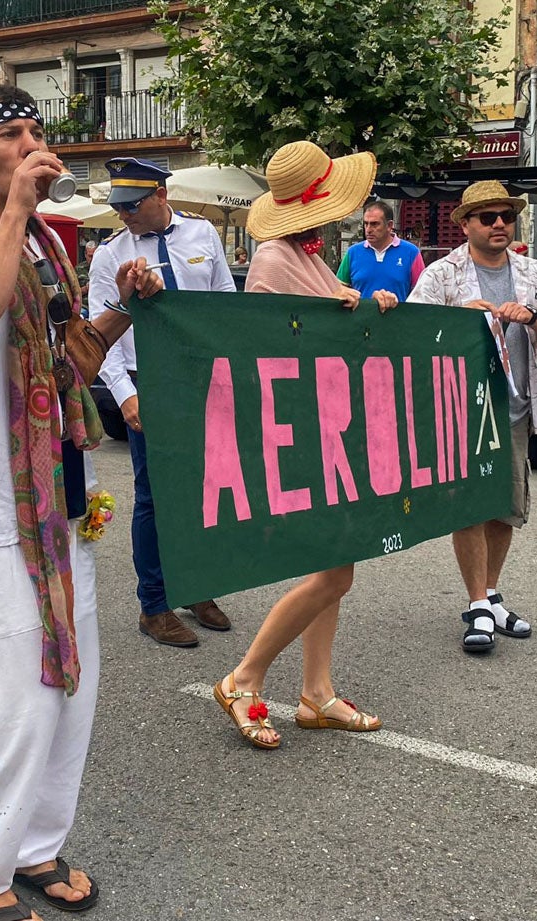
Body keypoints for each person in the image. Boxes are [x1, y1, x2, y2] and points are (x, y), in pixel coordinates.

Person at [0, 82, 154, 921]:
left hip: (58, 499)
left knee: (71, 691)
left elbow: (65, 364)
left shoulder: (48, 247)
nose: (29, 143)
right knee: (15, 700)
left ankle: (36, 844)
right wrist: (16, 209)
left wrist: (121, 311)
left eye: (34, 131)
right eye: (8, 134)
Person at [211, 141, 391, 750]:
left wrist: (367, 306)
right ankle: (244, 676)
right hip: (303, 433)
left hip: (328, 427)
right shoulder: (272, 261)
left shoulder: (305, 256)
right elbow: (268, 347)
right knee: (334, 571)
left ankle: (316, 691)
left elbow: (325, 329)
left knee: (335, 567)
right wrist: (337, 313)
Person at [407, 179, 537, 653]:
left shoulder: (533, 270)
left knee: (506, 506)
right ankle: (477, 602)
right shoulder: (443, 274)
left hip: (515, 408)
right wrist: (462, 316)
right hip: (461, 410)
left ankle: (491, 594)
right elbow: (414, 333)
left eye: (506, 215)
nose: (500, 223)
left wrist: (529, 315)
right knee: (471, 505)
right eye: (487, 217)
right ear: (465, 224)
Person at [89, 155, 238, 648]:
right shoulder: (110, 254)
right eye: (119, 207)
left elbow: (222, 304)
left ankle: (196, 586)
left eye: (134, 205)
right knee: (153, 497)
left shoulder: (202, 235)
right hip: (145, 379)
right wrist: (126, 396)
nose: (125, 215)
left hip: (199, 379)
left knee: (204, 490)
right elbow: (96, 335)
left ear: (161, 196)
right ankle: (154, 605)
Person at [335, 199, 424, 302]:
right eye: (366, 224)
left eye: (374, 224)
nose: (368, 229)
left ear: (389, 226)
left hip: (399, 317)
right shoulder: (353, 252)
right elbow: (339, 288)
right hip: (361, 317)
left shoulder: (411, 252)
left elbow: (422, 293)